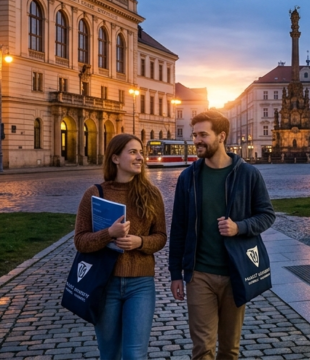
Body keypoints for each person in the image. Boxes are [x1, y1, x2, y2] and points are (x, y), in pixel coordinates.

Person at [169, 110, 275, 360]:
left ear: (222, 136)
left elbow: (267, 215)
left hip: (236, 272)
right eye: (195, 135)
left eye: (203, 134)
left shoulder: (248, 174)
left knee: (229, 349)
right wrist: (176, 273)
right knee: (203, 348)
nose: (197, 140)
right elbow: (179, 228)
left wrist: (239, 227)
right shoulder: (188, 177)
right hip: (199, 275)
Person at [74, 134, 167, 360]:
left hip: (141, 285)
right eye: (133, 152)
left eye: (140, 152)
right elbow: (80, 241)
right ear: (115, 158)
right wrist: (109, 234)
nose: (140, 158)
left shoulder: (152, 194)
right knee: (109, 354)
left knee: (135, 355)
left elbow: (161, 237)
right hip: (105, 285)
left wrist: (140, 242)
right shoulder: (95, 193)